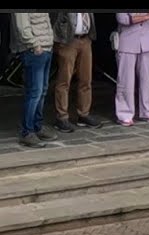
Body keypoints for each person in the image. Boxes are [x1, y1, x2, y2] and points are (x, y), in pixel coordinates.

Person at [51, 12, 103, 132]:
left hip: (85, 39)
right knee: (64, 80)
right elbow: (55, 18)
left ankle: (83, 114)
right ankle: (62, 117)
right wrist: (60, 40)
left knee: (86, 79)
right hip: (69, 41)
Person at [11, 12, 56, 148]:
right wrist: (35, 45)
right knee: (34, 93)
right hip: (34, 51)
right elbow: (22, 27)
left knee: (42, 91)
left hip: (46, 48)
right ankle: (27, 132)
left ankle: (37, 126)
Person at [114, 12, 149, 126]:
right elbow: (123, 18)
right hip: (127, 40)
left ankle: (147, 111)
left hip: (148, 40)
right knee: (126, 80)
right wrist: (147, 16)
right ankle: (124, 114)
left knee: (146, 80)